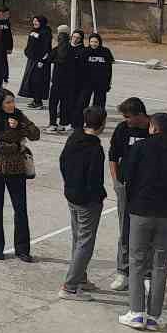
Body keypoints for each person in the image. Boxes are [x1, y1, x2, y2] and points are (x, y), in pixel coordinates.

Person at [119, 111, 167, 331]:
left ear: (154, 128)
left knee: (138, 262)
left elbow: (124, 175)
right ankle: (154, 315)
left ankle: (136, 312)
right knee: (160, 265)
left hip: (141, 211)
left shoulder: (140, 148)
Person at [0, 89, 39, 262]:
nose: (11, 105)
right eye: (7, 102)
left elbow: (35, 134)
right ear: (0, 104)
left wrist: (20, 126)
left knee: (20, 209)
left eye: (13, 101)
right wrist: (16, 146)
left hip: (16, 170)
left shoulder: (19, 116)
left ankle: (22, 249)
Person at [58, 105, 107, 298]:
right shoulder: (95, 148)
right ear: (102, 124)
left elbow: (62, 162)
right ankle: (70, 286)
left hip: (71, 194)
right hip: (87, 201)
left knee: (78, 238)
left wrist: (69, 184)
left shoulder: (74, 138)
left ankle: (81, 277)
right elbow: (95, 179)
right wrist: (97, 196)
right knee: (85, 242)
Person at [105, 97, 150, 292]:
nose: (126, 120)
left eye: (128, 117)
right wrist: (116, 182)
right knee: (125, 229)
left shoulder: (153, 129)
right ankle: (123, 271)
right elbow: (113, 155)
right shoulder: (123, 129)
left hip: (148, 189)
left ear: (140, 115)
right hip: (126, 186)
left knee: (147, 231)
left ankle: (146, 273)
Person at [46, 28, 77, 133]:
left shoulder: (56, 50)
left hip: (56, 81)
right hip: (69, 82)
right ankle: (63, 123)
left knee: (53, 103)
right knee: (65, 103)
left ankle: (52, 123)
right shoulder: (72, 50)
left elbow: (48, 60)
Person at [79, 32, 114, 121]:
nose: (93, 44)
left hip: (101, 83)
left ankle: (98, 121)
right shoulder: (85, 51)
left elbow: (109, 69)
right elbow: (80, 68)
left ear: (99, 42)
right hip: (87, 82)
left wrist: (108, 83)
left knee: (99, 104)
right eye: (92, 42)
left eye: (96, 42)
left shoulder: (105, 51)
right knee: (83, 102)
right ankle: (82, 119)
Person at [20, 16, 52, 109]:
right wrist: (27, 51)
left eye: (37, 21)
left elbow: (47, 48)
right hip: (32, 59)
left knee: (38, 81)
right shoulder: (33, 31)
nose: (35, 23)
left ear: (42, 22)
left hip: (40, 61)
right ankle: (35, 100)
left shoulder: (46, 32)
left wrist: (42, 60)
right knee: (30, 80)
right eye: (34, 21)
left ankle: (39, 102)